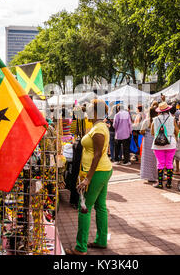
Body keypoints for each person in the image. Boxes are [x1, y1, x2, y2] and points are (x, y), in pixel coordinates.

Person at [66, 99, 113, 255]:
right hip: (102, 170)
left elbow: (98, 154)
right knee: (100, 206)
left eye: (89, 110)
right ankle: (101, 240)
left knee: (84, 208)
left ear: (95, 112)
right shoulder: (98, 127)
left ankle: (80, 247)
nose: (86, 113)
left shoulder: (99, 129)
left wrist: (88, 178)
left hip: (98, 172)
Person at [151, 102, 179, 189]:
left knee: (160, 163)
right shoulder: (172, 119)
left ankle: (160, 183)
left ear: (159, 111)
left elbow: (152, 132)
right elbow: (177, 131)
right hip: (171, 143)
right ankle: (169, 183)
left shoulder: (155, 119)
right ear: (168, 109)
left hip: (158, 144)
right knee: (169, 163)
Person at [139, 103, 159, 183]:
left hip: (147, 141)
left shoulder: (146, 121)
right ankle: (157, 175)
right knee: (156, 158)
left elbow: (141, 131)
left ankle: (149, 176)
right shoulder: (158, 120)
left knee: (147, 159)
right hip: (156, 140)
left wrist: (145, 133)